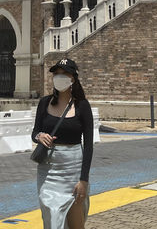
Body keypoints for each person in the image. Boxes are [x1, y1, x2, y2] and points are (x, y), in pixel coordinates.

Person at [31, 58, 93, 229]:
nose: (59, 77)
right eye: (56, 73)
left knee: (76, 223)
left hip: (73, 169)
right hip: (48, 169)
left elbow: (88, 146)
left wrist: (84, 180)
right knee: (51, 213)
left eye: (64, 73)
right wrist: (39, 136)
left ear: (73, 78)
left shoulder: (82, 106)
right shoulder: (44, 103)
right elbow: (34, 132)